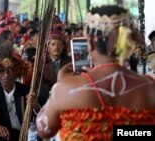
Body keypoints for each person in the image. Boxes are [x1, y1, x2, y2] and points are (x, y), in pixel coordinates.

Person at [36, 5, 155, 140]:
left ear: (90, 42)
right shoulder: (150, 87)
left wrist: (58, 86)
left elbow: (43, 129)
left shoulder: (67, 87)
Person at [39, 30, 70, 106]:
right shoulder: (41, 65)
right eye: (53, 44)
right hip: (48, 102)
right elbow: (42, 87)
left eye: (59, 44)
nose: (56, 47)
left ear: (63, 47)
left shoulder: (70, 63)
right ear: (48, 48)